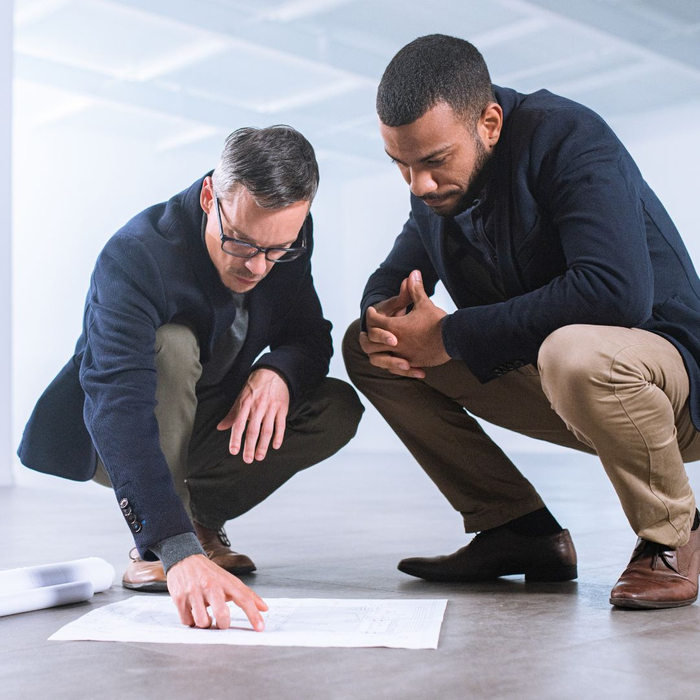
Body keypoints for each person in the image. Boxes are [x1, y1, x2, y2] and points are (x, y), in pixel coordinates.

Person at [343, 34, 700, 609]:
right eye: (401, 166)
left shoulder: (568, 137)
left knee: (573, 352)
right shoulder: (437, 186)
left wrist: (451, 335)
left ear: (489, 122)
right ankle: (521, 531)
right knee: (370, 348)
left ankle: (673, 536)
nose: (418, 185)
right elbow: (394, 273)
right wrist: (383, 314)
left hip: (671, 386)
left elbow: (617, 294)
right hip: (568, 388)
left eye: (433, 162)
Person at [19, 125, 363, 629]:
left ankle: (200, 522)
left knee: (336, 405)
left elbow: (309, 338)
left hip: (205, 417)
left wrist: (277, 372)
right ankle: (160, 543)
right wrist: (172, 548)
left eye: (278, 250)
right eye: (243, 243)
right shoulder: (135, 255)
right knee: (173, 345)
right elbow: (118, 400)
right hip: (117, 431)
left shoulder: (284, 239)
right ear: (210, 197)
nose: (259, 267)